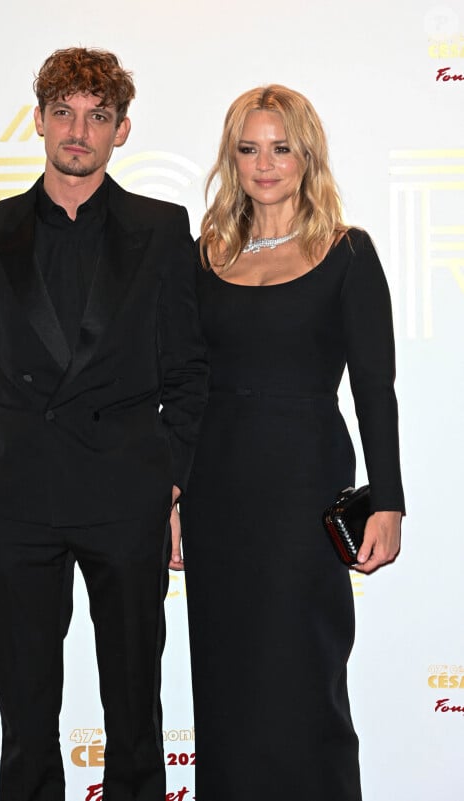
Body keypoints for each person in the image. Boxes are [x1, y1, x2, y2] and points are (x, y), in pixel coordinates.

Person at [0, 47, 208, 801]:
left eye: (97, 116)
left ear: (121, 131)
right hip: (17, 500)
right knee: (25, 715)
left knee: (133, 710)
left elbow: (189, 372)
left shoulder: (161, 230)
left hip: (124, 493)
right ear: (37, 121)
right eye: (63, 111)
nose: (77, 129)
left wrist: (171, 487)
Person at [176, 85, 405, 800]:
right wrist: (174, 496)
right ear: (232, 159)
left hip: (305, 495)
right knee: (226, 679)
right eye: (249, 148)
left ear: (306, 156)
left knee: (306, 674)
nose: (265, 163)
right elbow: (182, 389)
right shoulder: (203, 259)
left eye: (281, 147)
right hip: (218, 494)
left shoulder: (346, 253)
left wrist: (389, 502)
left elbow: (374, 387)